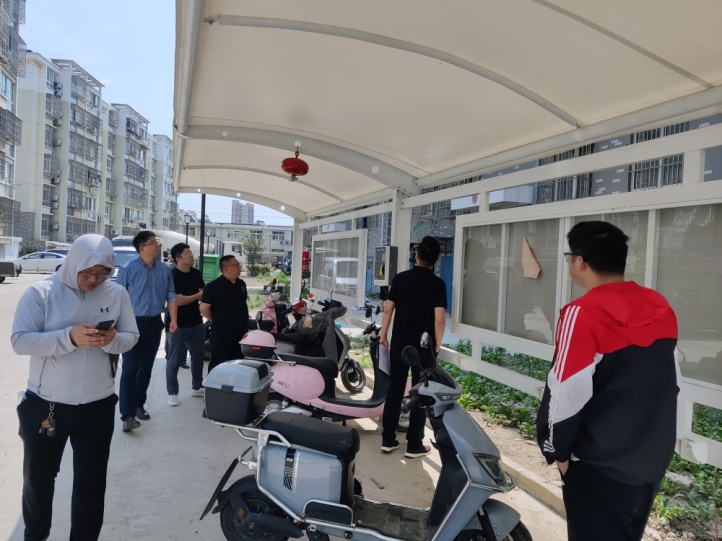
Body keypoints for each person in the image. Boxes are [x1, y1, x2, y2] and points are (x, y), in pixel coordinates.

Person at [536, 221, 679, 541]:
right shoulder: (661, 308)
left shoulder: (582, 313)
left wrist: (557, 452)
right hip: (648, 464)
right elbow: (671, 384)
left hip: (597, 466)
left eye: (569, 257)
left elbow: (565, 392)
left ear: (580, 261)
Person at [11, 234, 139, 541]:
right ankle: (35, 536)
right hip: (46, 405)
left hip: (98, 405)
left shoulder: (116, 293)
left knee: (91, 483)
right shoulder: (41, 293)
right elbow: (20, 341)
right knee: (39, 482)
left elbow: (131, 336)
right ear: (72, 264)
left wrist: (112, 340)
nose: (94, 280)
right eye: (88, 272)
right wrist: (68, 337)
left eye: (103, 273)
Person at [379, 236, 447, 458]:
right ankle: (414, 445)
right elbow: (439, 320)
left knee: (395, 389)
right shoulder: (438, 285)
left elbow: (388, 310)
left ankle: (388, 440)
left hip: (399, 344)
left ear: (416, 255)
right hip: (424, 347)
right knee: (420, 393)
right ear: (436, 259)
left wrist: (383, 335)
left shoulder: (400, 279)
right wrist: (437, 345)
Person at [116, 231, 178, 431]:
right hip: (131, 324)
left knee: (146, 368)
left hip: (153, 323)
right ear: (142, 248)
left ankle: (139, 405)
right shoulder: (127, 269)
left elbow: (171, 295)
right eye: (153, 242)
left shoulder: (165, 270)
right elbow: (117, 298)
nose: (157, 245)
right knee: (130, 368)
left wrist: (173, 320)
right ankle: (127, 415)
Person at [166, 243, 206, 406]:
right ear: (178, 258)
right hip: (177, 324)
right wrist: (197, 295)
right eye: (187, 253)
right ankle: (172, 393)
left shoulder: (196, 273)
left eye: (191, 252)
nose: (191, 255)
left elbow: (204, 293)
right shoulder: (172, 275)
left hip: (196, 322)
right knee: (174, 360)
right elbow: (178, 300)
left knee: (198, 357)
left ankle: (197, 387)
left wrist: (197, 297)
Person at [200, 255, 249, 372]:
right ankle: (214, 383)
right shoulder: (213, 286)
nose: (240, 267)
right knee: (219, 364)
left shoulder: (241, 284)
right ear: (227, 268)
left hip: (241, 332)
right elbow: (204, 308)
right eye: (237, 265)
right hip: (222, 333)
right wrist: (216, 319)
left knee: (237, 364)